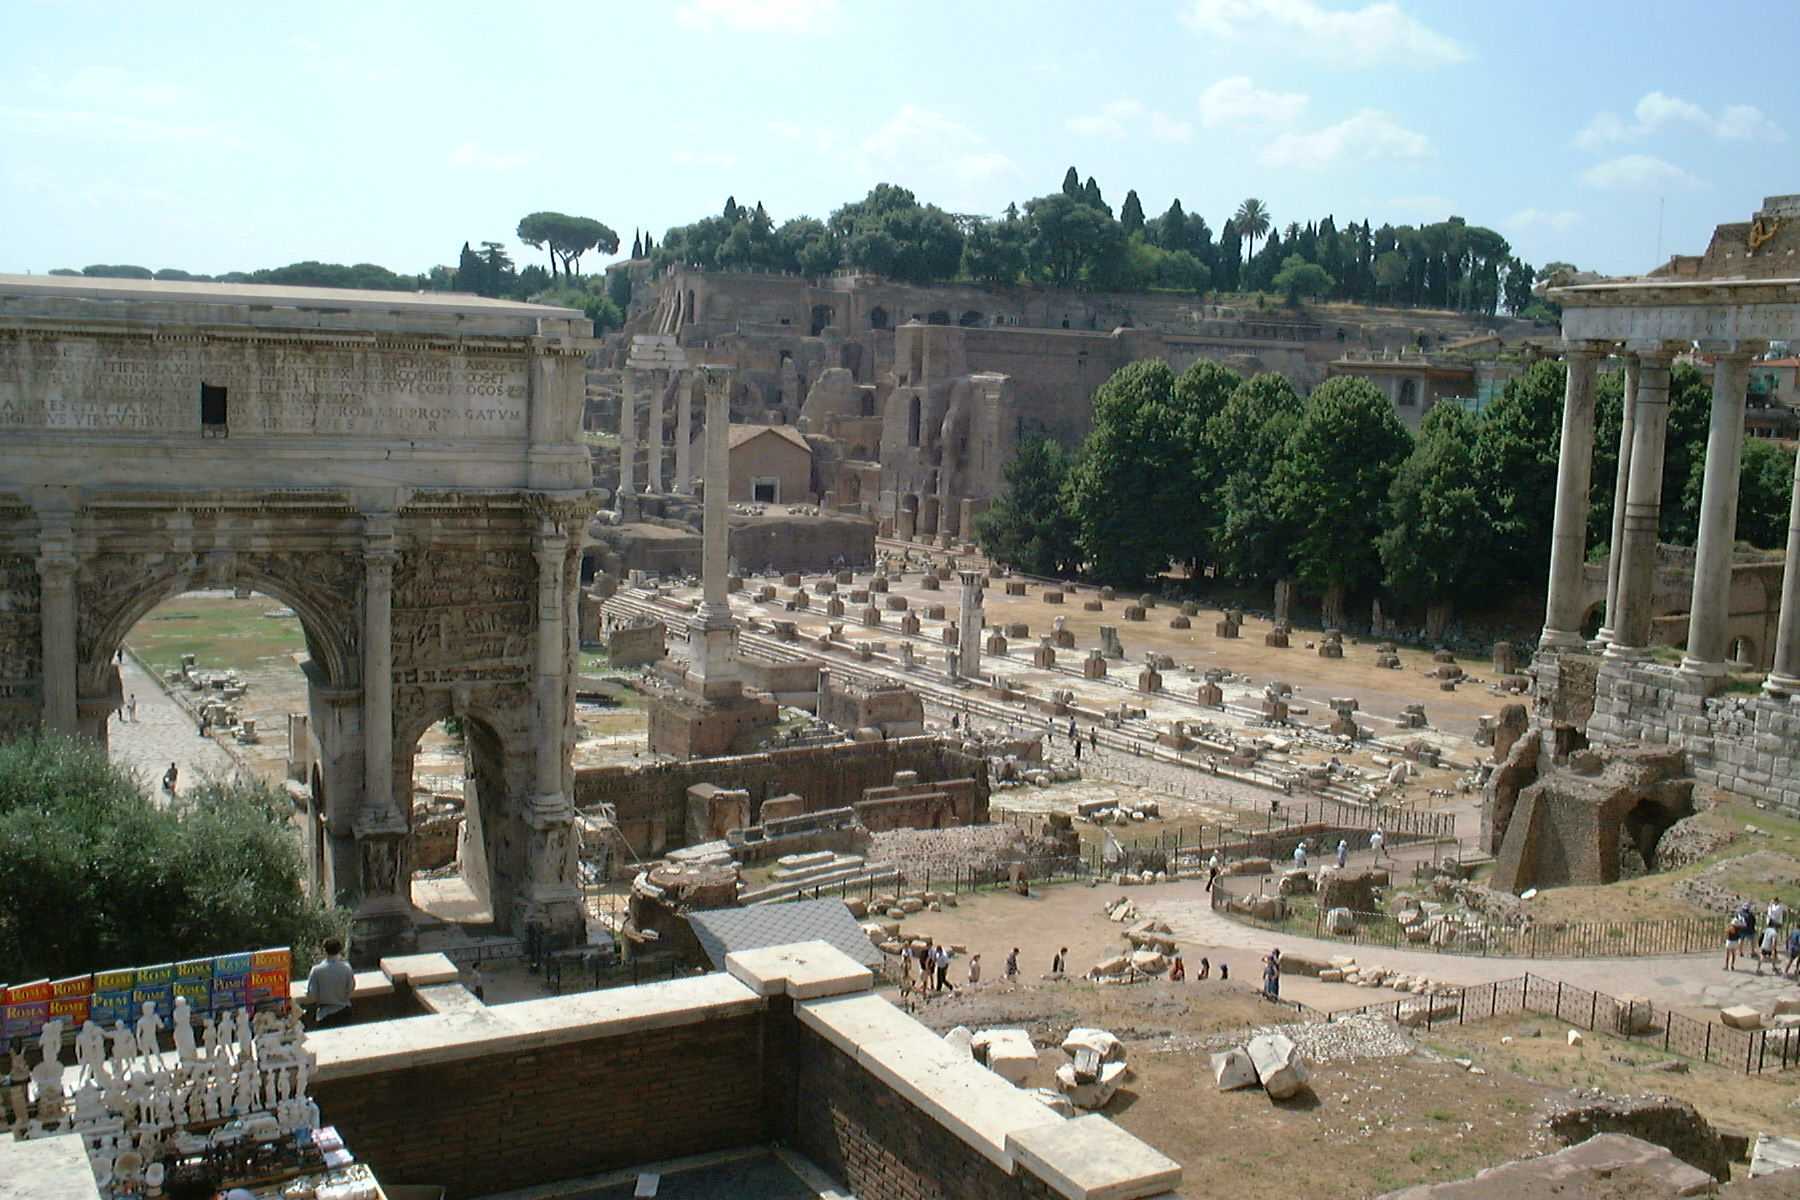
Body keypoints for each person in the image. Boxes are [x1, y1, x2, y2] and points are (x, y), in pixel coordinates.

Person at [304, 937, 356, 1027]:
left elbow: (312, 995)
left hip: (325, 1016)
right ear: (340, 950)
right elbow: (351, 988)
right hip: (344, 1013)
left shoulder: (316, 970)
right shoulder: (347, 968)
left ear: (324, 951)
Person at [1725, 907, 1747, 971]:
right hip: (1735, 941)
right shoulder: (1739, 926)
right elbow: (1744, 925)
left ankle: (1726, 966)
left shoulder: (1731, 927)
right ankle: (1732, 965)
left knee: (1728, 954)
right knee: (1733, 954)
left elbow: (1727, 931)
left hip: (1730, 941)